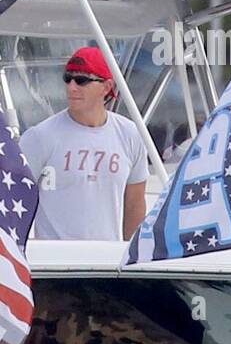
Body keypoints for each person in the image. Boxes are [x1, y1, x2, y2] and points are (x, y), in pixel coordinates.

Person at [20, 46, 148, 241]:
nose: (72, 87)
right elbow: (13, 199)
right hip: (55, 266)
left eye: (82, 80)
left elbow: (135, 205)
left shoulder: (129, 134)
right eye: (67, 78)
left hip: (107, 264)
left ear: (106, 87)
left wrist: (130, 259)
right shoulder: (40, 137)